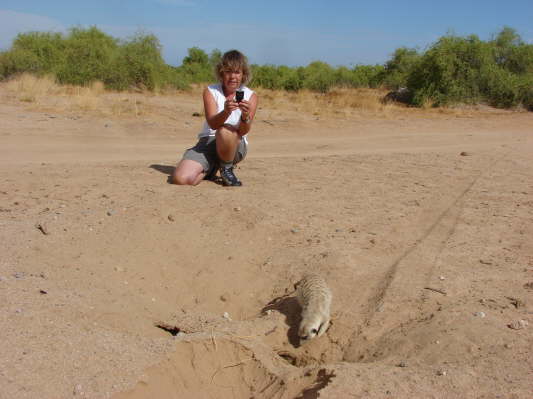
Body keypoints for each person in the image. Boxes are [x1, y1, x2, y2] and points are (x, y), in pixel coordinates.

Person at [172, 50, 258, 187]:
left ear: (243, 75)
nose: (233, 77)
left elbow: (243, 131)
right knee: (182, 179)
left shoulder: (250, 96)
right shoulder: (211, 91)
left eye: (237, 72)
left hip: (234, 145)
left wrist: (245, 116)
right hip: (208, 142)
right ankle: (212, 168)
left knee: (225, 130)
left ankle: (227, 168)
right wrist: (226, 111)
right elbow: (212, 124)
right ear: (221, 73)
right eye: (228, 71)